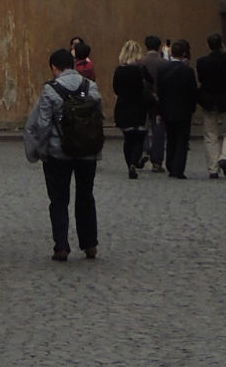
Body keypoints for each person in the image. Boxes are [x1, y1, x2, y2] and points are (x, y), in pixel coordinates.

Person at [23, 45, 104, 261]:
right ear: (73, 65)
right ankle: (90, 245)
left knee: (59, 199)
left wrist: (41, 151)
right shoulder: (91, 87)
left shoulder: (51, 90)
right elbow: (98, 119)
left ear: (54, 67)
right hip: (87, 151)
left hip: (58, 152)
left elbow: (43, 124)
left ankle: (61, 246)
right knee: (86, 196)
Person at [196, 33, 226, 179]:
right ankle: (225, 157)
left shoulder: (201, 61)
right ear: (221, 44)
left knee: (210, 134)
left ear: (208, 45)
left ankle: (213, 169)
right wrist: (224, 53)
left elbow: (201, 79)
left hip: (208, 100)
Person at [155, 37, 200, 179]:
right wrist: (192, 108)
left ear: (172, 53)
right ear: (184, 54)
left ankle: (170, 164)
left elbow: (159, 92)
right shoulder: (188, 71)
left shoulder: (163, 69)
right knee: (182, 140)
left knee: (171, 138)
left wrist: (159, 111)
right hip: (184, 110)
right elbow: (193, 92)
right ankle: (178, 169)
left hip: (167, 109)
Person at [111, 39, 152, 180]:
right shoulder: (141, 69)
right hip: (139, 106)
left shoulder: (119, 70)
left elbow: (116, 89)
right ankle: (134, 162)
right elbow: (150, 84)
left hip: (123, 107)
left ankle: (130, 164)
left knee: (128, 139)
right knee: (139, 138)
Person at [140, 34, 168, 172]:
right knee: (158, 130)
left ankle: (144, 149)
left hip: (142, 99)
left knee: (142, 126)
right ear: (159, 46)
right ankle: (157, 162)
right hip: (159, 100)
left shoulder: (139, 62)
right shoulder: (164, 63)